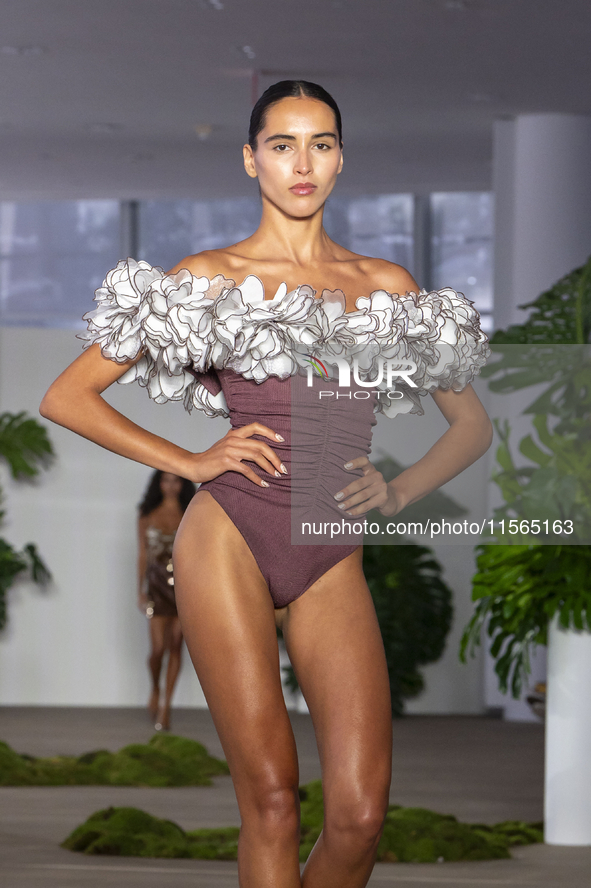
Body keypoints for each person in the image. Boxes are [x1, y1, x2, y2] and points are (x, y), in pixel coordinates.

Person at [40, 80, 493, 888]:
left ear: (341, 157)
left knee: (358, 816)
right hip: (230, 537)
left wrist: (395, 492)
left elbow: (471, 425)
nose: (302, 162)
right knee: (274, 803)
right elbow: (67, 396)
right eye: (281, 145)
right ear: (252, 160)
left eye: (319, 143)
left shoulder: (385, 286)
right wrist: (192, 461)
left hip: (330, 551)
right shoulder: (208, 275)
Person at [137, 470, 196, 731]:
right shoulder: (147, 515)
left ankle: (166, 707)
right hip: (156, 588)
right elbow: (142, 554)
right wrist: (139, 589)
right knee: (157, 649)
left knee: (175, 645)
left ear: (182, 484)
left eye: (176, 480)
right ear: (158, 483)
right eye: (166, 480)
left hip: (184, 589)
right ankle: (154, 688)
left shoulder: (191, 514)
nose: (170, 485)